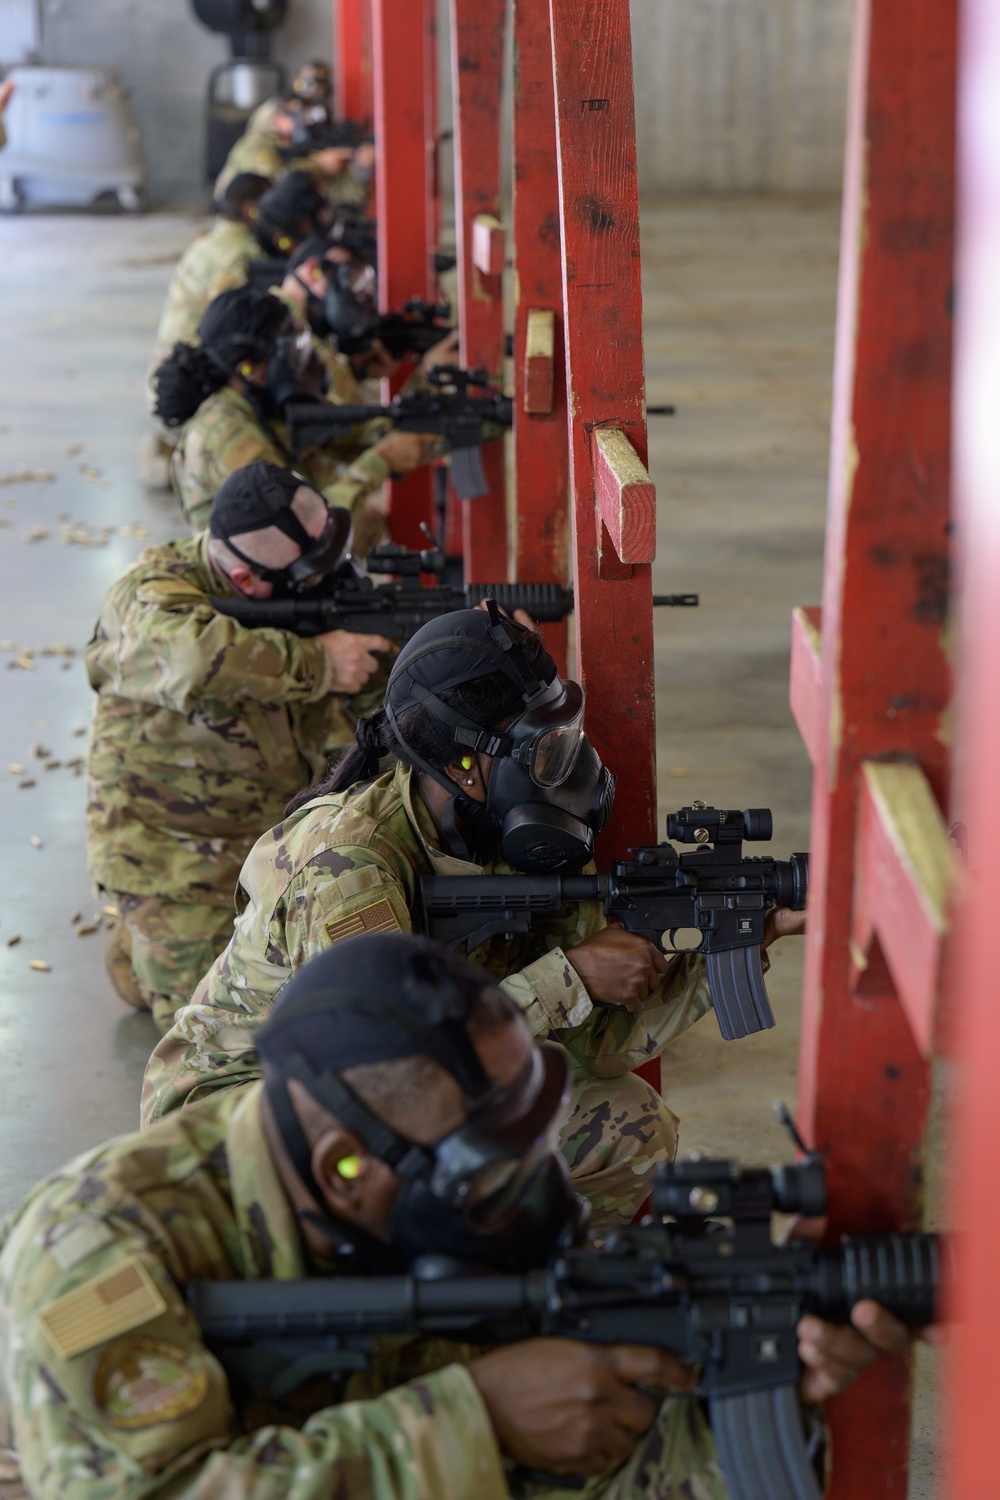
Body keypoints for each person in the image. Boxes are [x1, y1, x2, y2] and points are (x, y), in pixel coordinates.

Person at [0, 933, 919, 1500]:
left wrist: (741, 1398)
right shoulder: (96, 1251)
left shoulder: (412, 1207)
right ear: (346, 1166)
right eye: (489, 1167)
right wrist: (477, 1418)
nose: (532, 1195)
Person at [142, 606, 803, 1227]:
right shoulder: (348, 865)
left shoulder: (494, 835)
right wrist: (567, 976)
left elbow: (597, 1047)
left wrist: (749, 931)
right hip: (251, 1114)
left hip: (385, 1085)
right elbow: (383, 1070)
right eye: (544, 751)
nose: (569, 770)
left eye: (566, 739)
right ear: (465, 767)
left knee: (627, 1126)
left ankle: (529, 1293)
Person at [86, 463, 393, 1033]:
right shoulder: (151, 593)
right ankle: (153, 934)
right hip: (175, 862)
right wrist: (320, 662)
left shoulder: (283, 594)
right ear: (249, 583)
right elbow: (193, 657)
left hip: (265, 842)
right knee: (228, 1034)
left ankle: (146, 948)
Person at [152, 285, 438, 541]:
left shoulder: (263, 404)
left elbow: (362, 436)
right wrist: (379, 463)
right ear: (248, 368)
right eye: (291, 349)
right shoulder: (224, 433)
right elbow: (303, 529)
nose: (304, 360)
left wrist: (431, 386)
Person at [147, 172, 272, 387]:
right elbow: (227, 328)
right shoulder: (240, 255)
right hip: (190, 381)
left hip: (168, 372)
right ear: (250, 209)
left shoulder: (208, 243)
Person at [214, 93, 370, 210]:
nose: (301, 121)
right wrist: (318, 164)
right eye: (292, 114)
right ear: (276, 121)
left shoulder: (299, 149)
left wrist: (359, 170)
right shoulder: (255, 148)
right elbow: (280, 183)